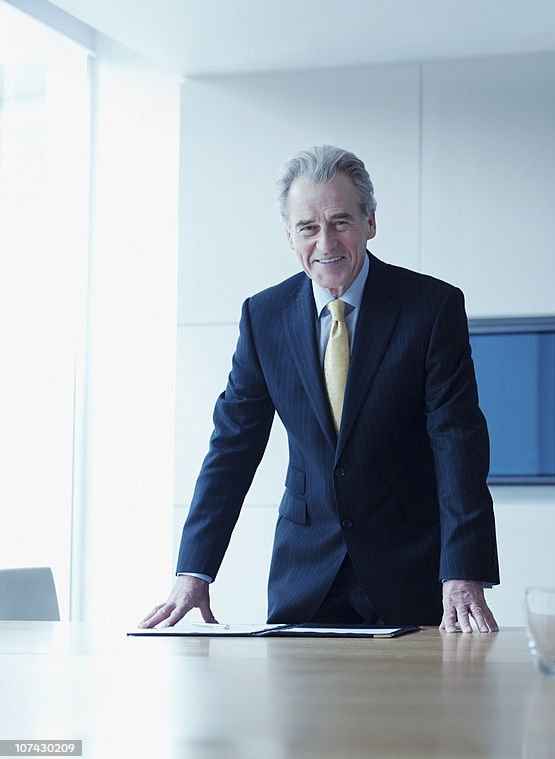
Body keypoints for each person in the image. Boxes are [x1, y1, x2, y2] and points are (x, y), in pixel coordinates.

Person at [139, 145, 499, 632]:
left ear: (370, 222)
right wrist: (193, 571)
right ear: (289, 236)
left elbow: (458, 443)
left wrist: (462, 572)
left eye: (340, 221)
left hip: (412, 571)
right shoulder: (263, 317)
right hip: (305, 575)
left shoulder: (430, 308)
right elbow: (232, 447)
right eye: (308, 227)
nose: (325, 241)